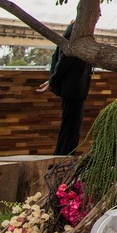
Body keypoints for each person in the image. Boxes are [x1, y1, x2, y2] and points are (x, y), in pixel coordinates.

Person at [36, 22, 91, 156]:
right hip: (73, 88)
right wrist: (53, 81)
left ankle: (64, 157)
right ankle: (63, 158)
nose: (99, 16)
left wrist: (52, 80)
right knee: (70, 129)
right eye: (98, 12)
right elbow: (64, 58)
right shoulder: (77, 30)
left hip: (74, 88)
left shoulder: (73, 29)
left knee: (70, 129)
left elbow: (56, 56)